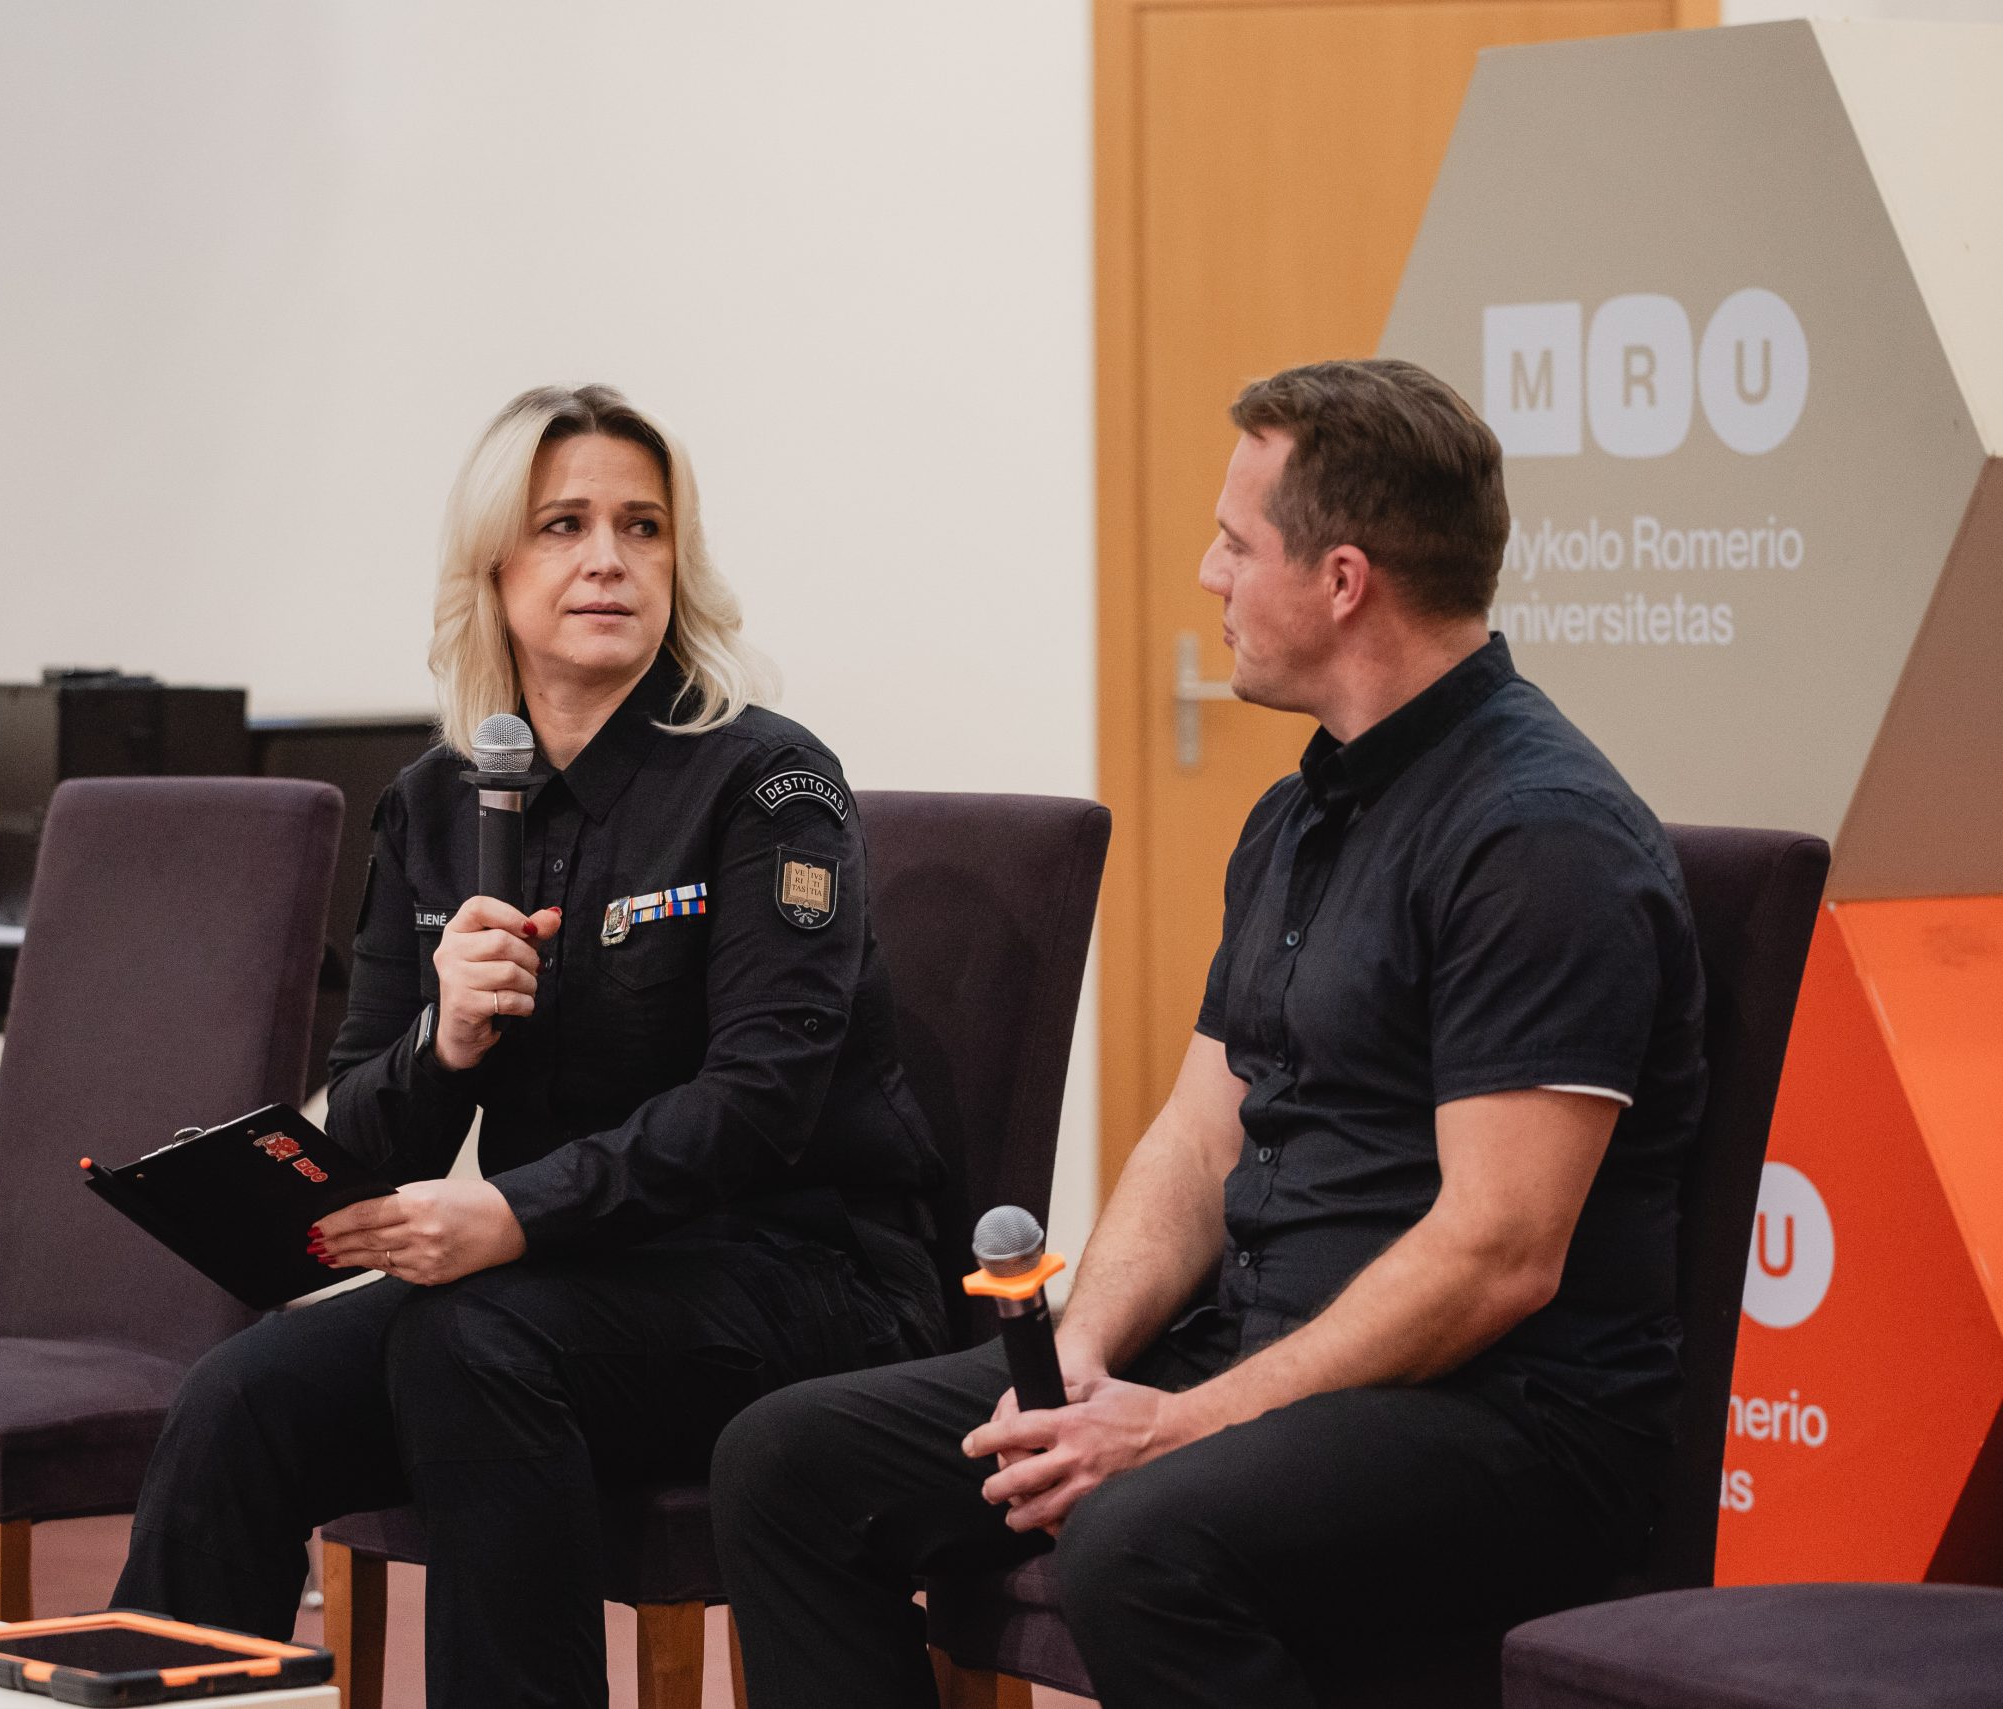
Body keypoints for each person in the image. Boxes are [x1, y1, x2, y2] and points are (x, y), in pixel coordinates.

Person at [713, 359, 1706, 1709]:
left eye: (1238, 545)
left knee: (1140, 1542)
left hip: (1507, 1422)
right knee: (790, 1462)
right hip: (1260, 1350)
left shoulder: (1540, 839)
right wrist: (1081, 1355)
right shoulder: (1298, 815)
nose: (1207, 574)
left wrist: (1181, 1426)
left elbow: (1499, 1255)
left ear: (1343, 581)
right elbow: (1199, 1134)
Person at [111, 384, 947, 1708]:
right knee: (239, 1398)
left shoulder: (769, 784)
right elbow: (368, 1136)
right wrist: (443, 1041)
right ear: (493, 569)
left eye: (642, 527)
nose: (608, 558)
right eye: (564, 525)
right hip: (558, 1282)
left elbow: (760, 1103)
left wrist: (508, 1215)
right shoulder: (437, 803)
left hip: (802, 1276)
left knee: (470, 1342)